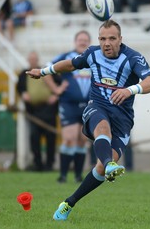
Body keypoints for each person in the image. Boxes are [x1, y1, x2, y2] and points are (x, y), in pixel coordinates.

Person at [26, 19, 150, 220]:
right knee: (102, 128)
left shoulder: (133, 57)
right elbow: (70, 64)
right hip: (97, 107)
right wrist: (43, 72)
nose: (107, 43)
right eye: (103, 38)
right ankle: (109, 163)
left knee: (100, 168)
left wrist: (130, 90)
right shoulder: (92, 53)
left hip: (122, 118)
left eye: (112, 38)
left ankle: (69, 202)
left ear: (120, 39)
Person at [44, 30, 92, 183]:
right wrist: (55, 89)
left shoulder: (94, 58)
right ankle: (63, 175)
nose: (82, 42)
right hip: (69, 104)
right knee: (69, 139)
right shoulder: (66, 57)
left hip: (89, 105)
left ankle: (78, 176)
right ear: (75, 41)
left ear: (89, 42)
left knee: (82, 140)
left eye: (85, 40)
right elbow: (46, 70)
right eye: (80, 40)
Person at [16, 51, 64, 172]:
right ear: (28, 60)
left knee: (51, 139)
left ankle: (49, 164)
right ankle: (37, 164)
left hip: (49, 110)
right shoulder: (23, 74)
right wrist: (23, 94)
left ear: (38, 60)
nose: (33, 61)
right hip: (33, 111)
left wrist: (56, 96)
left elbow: (60, 84)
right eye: (31, 59)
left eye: (35, 59)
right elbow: (19, 88)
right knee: (34, 138)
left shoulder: (47, 71)